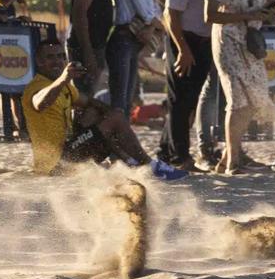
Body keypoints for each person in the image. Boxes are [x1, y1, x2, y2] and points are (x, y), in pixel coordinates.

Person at [22, 36, 174, 176]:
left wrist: (110, 117)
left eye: (60, 57)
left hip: (71, 150)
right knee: (114, 118)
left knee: (97, 113)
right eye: (50, 57)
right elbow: (40, 103)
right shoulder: (36, 87)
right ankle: (148, 164)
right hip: (55, 164)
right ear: (39, 61)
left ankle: (129, 161)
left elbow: (88, 102)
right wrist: (64, 78)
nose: (57, 61)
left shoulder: (67, 87)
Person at [161, 0, 226, 171]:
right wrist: (183, 50)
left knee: (191, 100)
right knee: (180, 101)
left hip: (206, 39)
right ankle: (180, 159)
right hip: (183, 38)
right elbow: (170, 13)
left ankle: (167, 153)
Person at [206, 0, 274, 173]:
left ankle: (228, 155)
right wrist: (245, 15)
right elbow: (210, 14)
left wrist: (263, 15)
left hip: (251, 42)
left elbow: (261, 3)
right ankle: (233, 162)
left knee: (254, 98)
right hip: (228, 41)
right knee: (237, 100)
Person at [112, 0, 162, 116]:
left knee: (128, 97)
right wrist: (155, 24)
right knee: (120, 97)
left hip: (134, 42)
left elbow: (155, 10)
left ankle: (121, 139)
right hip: (123, 38)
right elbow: (147, 12)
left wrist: (154, 24)